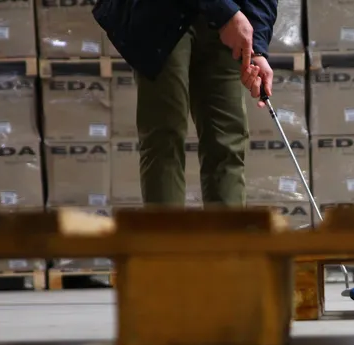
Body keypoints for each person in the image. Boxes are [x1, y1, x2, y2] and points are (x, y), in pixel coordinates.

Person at [93, 0, 278, 207]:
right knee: (165, 136)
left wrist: (257, 49)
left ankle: (228, 237)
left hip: (226, 21)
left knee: (227, 142)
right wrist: (226, 12)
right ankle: (169, 237)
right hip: (161, 14)